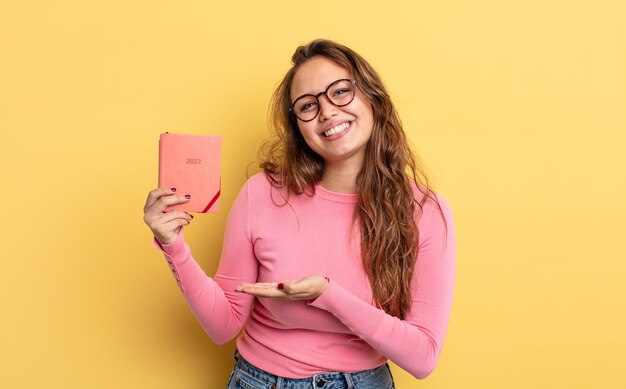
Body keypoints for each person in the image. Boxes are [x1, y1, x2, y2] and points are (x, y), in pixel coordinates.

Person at [143, 39, 456, 389]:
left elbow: (423, 357)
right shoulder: (262, 193)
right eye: (308, 105)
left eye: (340, 91)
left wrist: (327, 294)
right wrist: (173, 246)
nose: (327, 112)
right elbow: (224, 325)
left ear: (373, 97)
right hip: (257, 382)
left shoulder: (424, 211)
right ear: (298, 126)